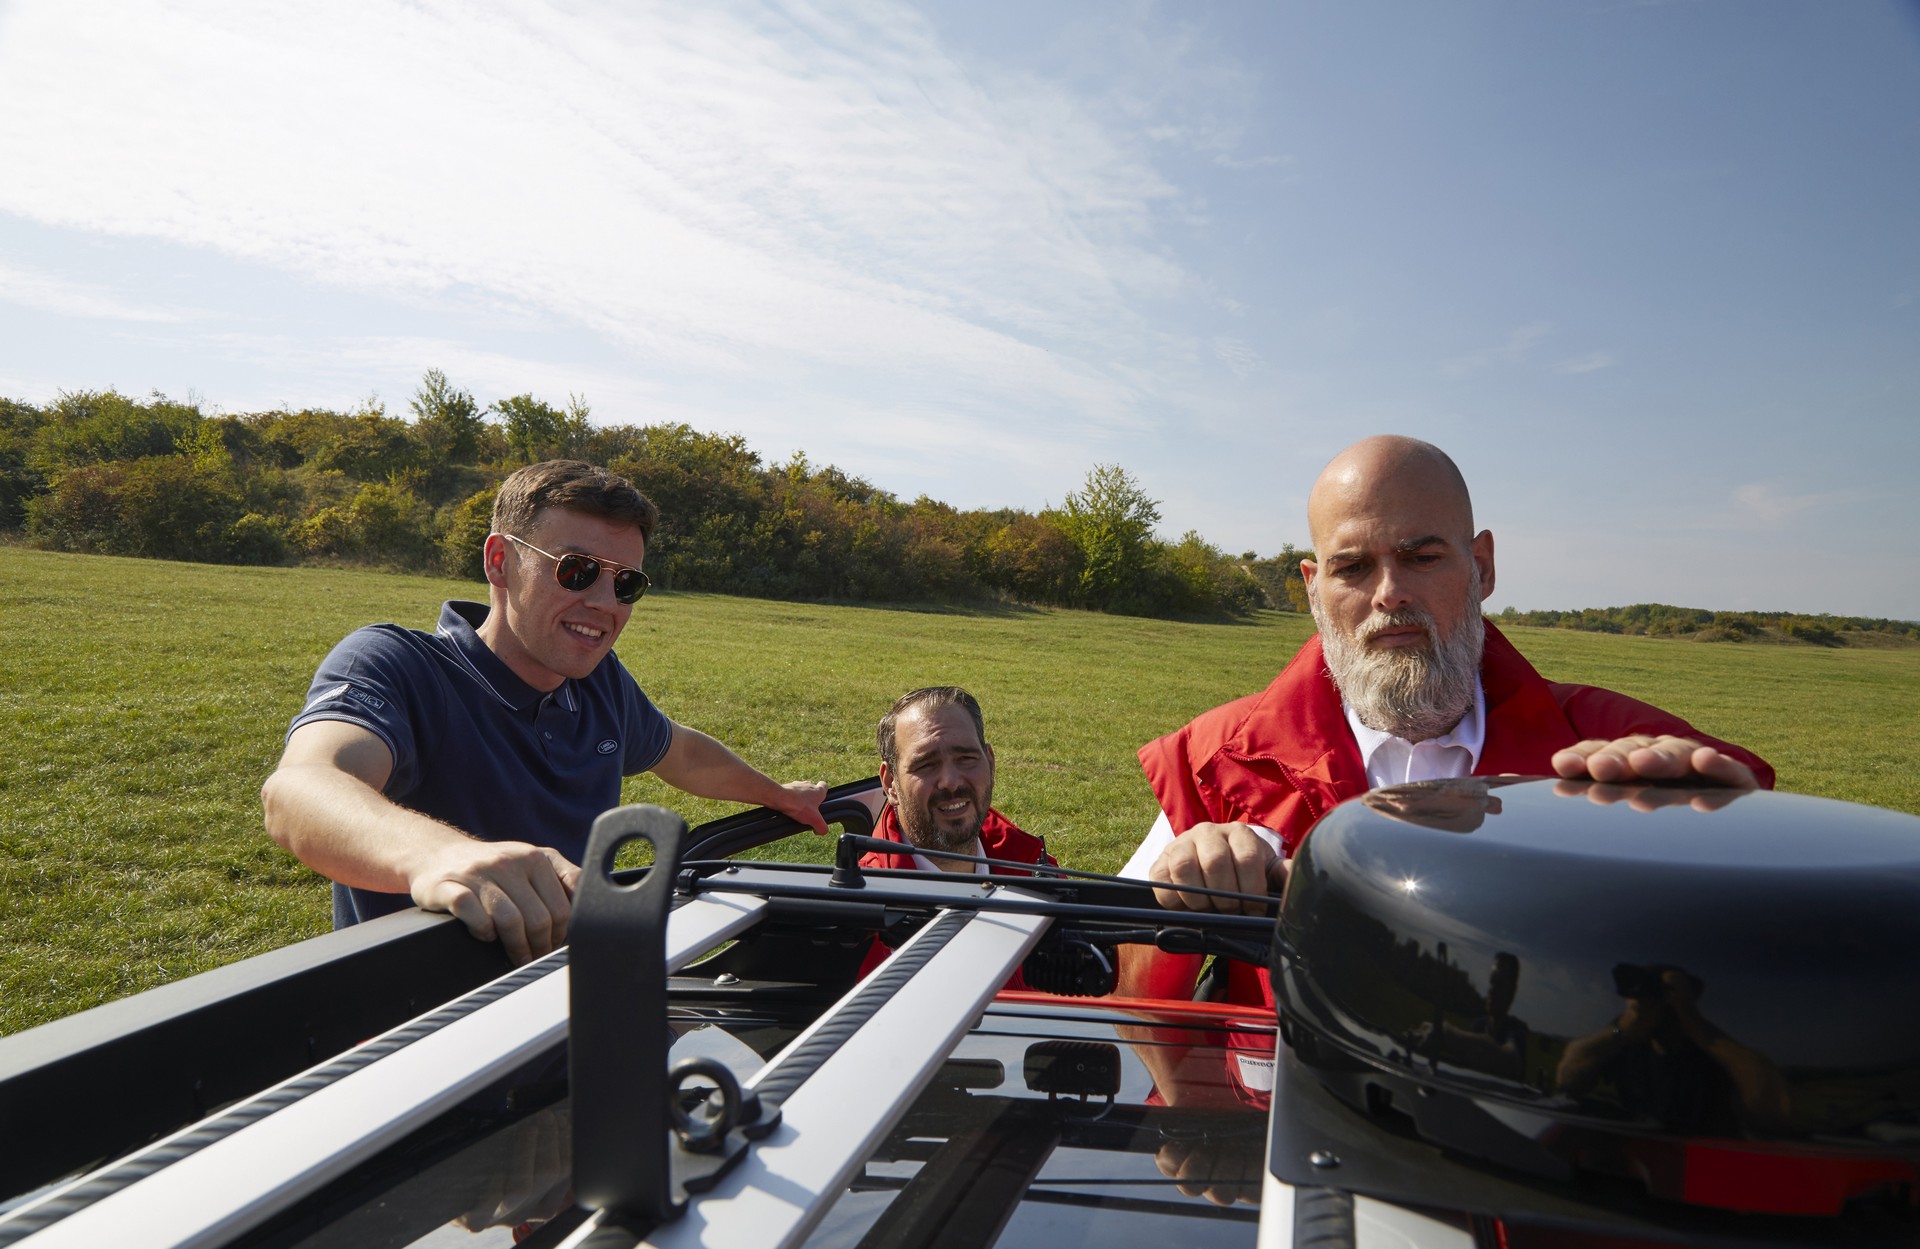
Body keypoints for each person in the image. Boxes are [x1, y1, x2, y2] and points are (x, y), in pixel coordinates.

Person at [1114, 435, 1774, 1044]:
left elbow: (1761, 939)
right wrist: (1184, 887)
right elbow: (1124, 992)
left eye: (1421, 558)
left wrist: (1721, 837)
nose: (1389, 593)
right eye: (1353, 568)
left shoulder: (1615, 752)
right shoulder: (1218, 761)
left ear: (1481, 566)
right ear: (1315, 588)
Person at [262, 460, 828, 965]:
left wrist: (778, 795)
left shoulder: (600, 684)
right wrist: (444, 856)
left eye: (626, 583)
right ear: (500, 561)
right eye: (576, 570)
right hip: (426, 1023)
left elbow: (681, 752)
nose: (604, 603)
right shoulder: (399, 664)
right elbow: (301, 789)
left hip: (569, 998)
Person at [854, 687, 1054, 982]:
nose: (950, 781)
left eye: (966, 758)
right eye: (926, 764)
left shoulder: (1035, 872)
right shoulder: (862, 922)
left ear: (990, 763)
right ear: (890, 783)